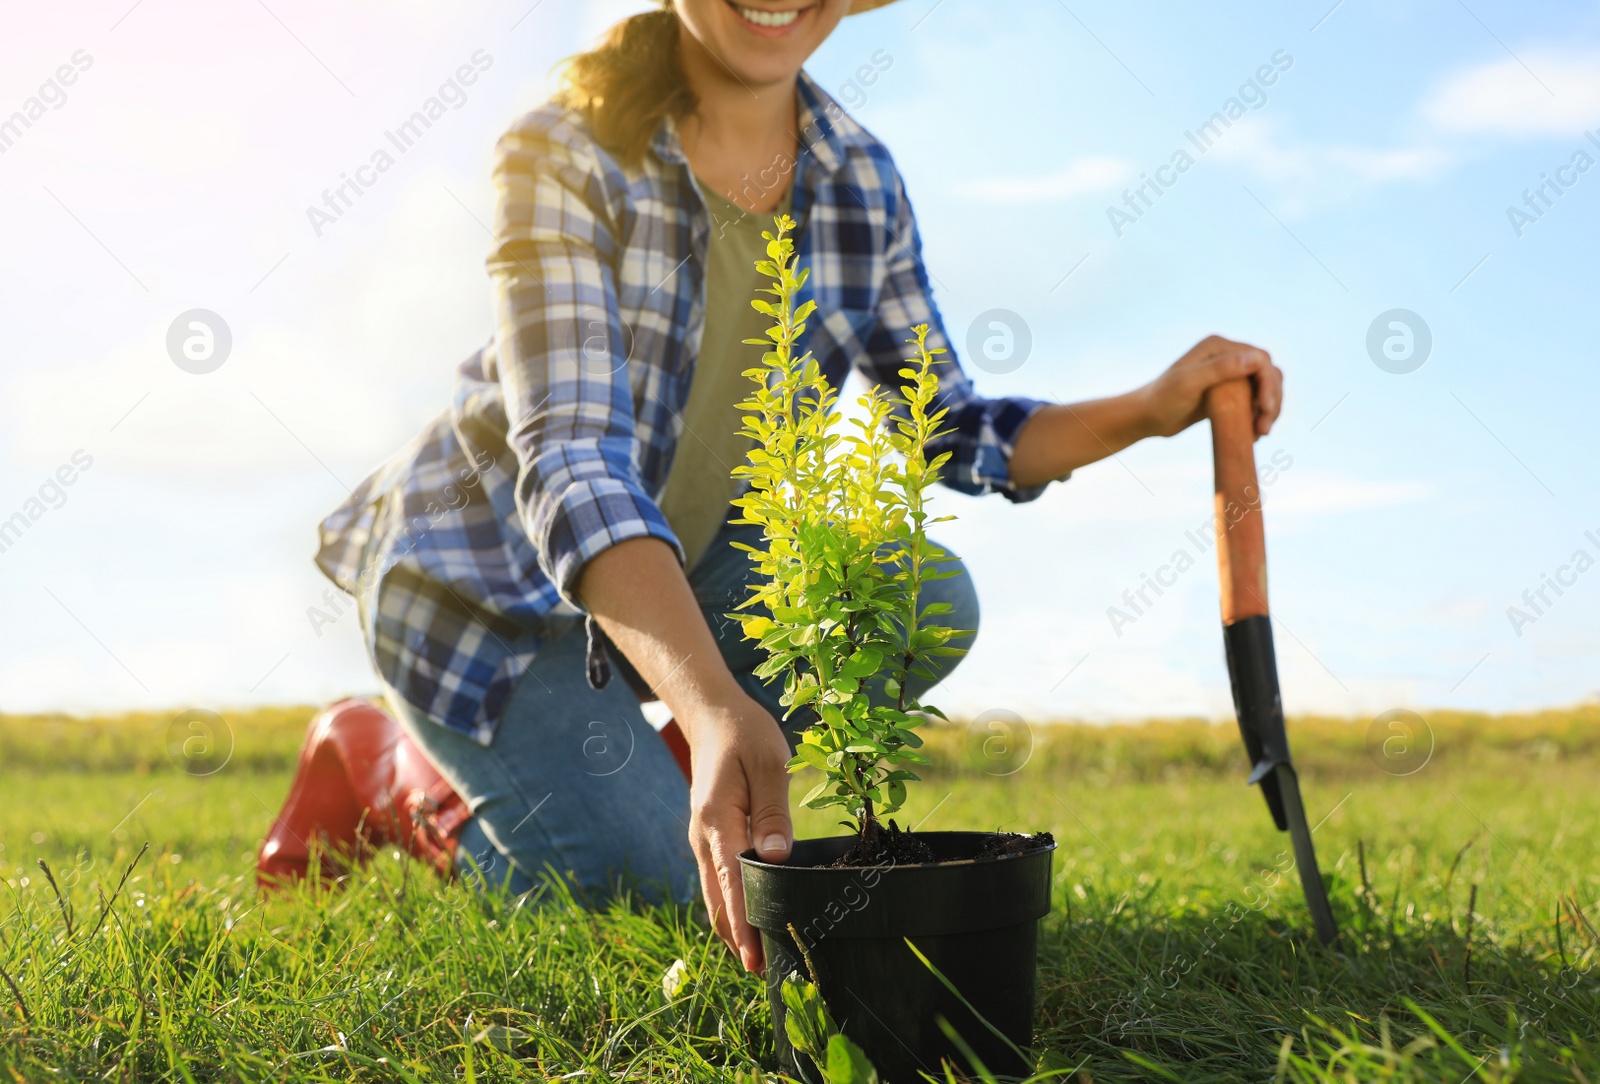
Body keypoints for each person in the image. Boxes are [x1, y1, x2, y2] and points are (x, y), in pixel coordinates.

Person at [258, 0, 1284, 975]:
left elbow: (949, 426)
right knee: (644, 894)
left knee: (924, 595)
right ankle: (395, 772)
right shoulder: (563, 148)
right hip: (489, 597)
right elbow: (574, 460)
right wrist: (711, 710)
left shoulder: (857, 181)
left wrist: (1152, 405)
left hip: (689, 562)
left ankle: (629, 771)